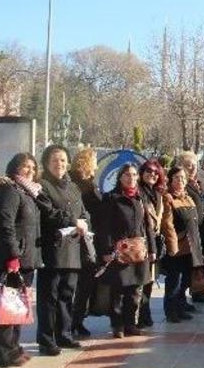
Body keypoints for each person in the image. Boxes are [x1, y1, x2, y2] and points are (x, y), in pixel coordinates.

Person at [0, 153, 43, 367]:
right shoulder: (9, 190)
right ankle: (2, 353)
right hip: (11, 260)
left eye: (32, 167)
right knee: (6, 307)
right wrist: (12, 256)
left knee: (18, 306)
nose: (29, 170)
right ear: (14, 167)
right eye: (25, 166)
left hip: (26, 258)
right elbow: (5, 225)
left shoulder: (27, 191)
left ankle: (14, 348)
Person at [34, 145, 89, 356]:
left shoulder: (73, 187)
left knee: (67, 294)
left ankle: (64, 334)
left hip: (73, 247)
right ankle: (46, 340)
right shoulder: (43, 186)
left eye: (64, 160)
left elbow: (84, 212)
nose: (60, 164)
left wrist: (84, 223)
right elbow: (48, 213)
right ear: (47, 163)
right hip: (52, 249)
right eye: (55, 160)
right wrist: (73, 221)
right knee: (50, 297)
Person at [97, 164, 155, 338]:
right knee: (118, 291)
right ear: (120, 177)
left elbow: (147, 225)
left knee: (135, 291)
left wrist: (152, 248)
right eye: (127, 175)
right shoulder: (111, 198)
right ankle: (117, 325)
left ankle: (131, 323)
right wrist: (107, 250)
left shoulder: (140, 198)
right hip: (119, 251)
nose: (131, 178)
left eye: (134, 175)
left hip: (138, 251)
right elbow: (104, 227)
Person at [68, 148, 101, 338]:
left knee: (86, 283)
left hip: (90, 237)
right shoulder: (80, 184)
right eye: (94, 160)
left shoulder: (88, 182)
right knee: (79, 283)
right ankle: (73, 320)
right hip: (80, 237)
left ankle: (78, 319)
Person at [161, 167, 199, 323]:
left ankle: (181, 306)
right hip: (177, 246)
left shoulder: (187, 197)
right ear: (170, 180)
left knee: (185, 280)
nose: (180, 181)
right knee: (174, 281)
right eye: (176, 178)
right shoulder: (168, 198)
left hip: (191, 246)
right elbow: (167, 224)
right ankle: (171, 311)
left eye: (183, 178)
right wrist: (172, 245)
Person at [175, 151, 204, 303]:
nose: (192, 168)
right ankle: (179, 301)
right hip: (186, 233)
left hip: (198, 230)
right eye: (188, 166)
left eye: (195, 165)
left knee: (197, 266)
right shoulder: (182, 186)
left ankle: (197, 292)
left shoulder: (196, 183)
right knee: (186, 269)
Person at [137, 160, 166, 325]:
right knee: (142, 280)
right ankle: (139, 315)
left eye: (156, 172)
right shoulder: (138, 192)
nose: (152, 174)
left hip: (154, 241)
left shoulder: (157, 194)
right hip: (142, 242)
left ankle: (145, 313)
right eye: (148, 171)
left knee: (149, 279)